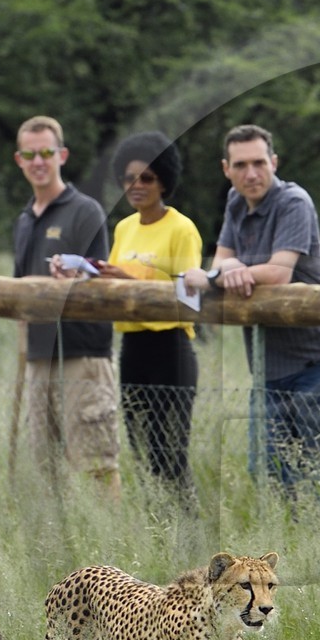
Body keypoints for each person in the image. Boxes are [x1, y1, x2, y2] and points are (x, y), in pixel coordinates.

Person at [184, 124, 320, 497]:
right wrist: (228, 270)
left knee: (311, 477)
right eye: (241, 164)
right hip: (269, 367)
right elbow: (224, 262)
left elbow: (279, 273)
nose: (251, 174)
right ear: (226, 168)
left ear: (274, 162)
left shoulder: (294, 202)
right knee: (267, 470)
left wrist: (222, 274)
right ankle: (287, 551)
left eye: (259, 163)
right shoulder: (235, 201)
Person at [10, 114, 120, 496]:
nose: (38, 161)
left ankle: (109, 553)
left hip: (82, 355)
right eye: (30, 153)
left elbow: (102, 277)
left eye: (46, 152)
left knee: (96, 464)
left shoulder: (85, 210)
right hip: (39, 358)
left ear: (62, 155)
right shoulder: (24, 220)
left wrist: (74, 279)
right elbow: (18, 292)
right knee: (46, 469)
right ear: (19, 159)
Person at [94, 131, 202, 503]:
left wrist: (133, 281)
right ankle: (154, 522)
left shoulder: (182, 228)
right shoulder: (124, 227)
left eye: (147, 178)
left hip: (170, 345)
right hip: (132, 345)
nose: (136, 186)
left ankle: (185, 528)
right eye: (129, 178)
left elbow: (189, 297)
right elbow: (116, 283)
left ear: (164, 181)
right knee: (141, 447)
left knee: (170, 449)